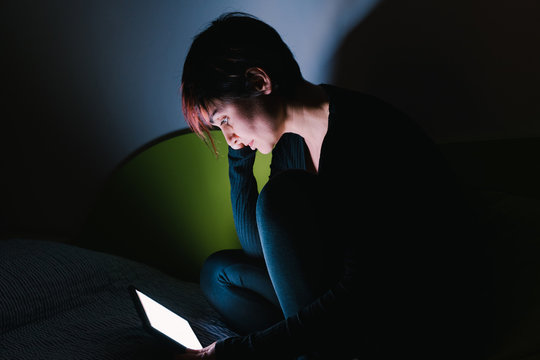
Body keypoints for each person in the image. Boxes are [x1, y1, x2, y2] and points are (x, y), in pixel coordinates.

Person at [178, 12, 493, 360]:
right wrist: (240, 158)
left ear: (258, 82)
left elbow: (364, 291)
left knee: (278, 201)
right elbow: (262, 251)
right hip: (345, 298)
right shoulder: (290, 144)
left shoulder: (362, 134)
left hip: (411, 311)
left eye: (225, 121)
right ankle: (305, 345)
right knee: (219, 275)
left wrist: (233, 352)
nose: (230, 138)